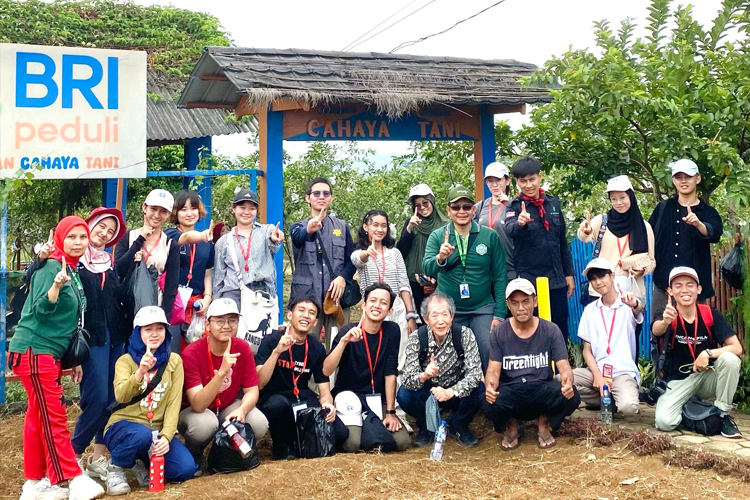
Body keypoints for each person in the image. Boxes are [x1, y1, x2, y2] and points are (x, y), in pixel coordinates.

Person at [9, 216, 105, 500]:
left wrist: (71, 359)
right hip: (34, 350)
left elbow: (69, 320)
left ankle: (35, 483)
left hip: (46, 352)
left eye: (82, 237)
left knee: (38, 416)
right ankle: (72, 478)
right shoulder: (51, 265)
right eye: (72, 237)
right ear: (61, 237)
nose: (77, 243)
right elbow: (38, 310)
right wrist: (53, 288)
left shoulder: (71, 269)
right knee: (53, 416)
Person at [103, 307, 194, 495]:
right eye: (148, 329)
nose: (155, 334)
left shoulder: (174, 361)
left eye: (160, 328)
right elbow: (121, 396)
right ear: (138, 333)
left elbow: (173, 403)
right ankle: (116, 466)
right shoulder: (125, 361)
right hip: (124, 426)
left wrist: (167, 436)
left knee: (185, 469)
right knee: (141, 435)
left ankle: (140, 461)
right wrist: (140, 372)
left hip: (156, 432)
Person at [483, 278, 580, 450]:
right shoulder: (499, 332)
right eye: (515, 303)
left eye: (526, 301)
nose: (521, 308)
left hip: (541, 390)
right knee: (485, 400)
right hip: (512, 391)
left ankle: (544, 421)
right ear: (508, 305)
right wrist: (490, 386)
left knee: (572, 396)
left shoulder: (551, 330)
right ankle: (511, 424)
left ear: (535, 301)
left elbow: (564, 367)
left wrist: (567, 381)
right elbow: (493, 370)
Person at [422, 184, 508, 371]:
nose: (461, 211)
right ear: (448, 209)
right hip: (449, 309)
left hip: (482, 307)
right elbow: (427, 268)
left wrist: (500, 313)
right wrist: (440, 258)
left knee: (489, 349)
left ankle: (491, 394)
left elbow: (500, 275)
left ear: (473, 209)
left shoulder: (489, 236)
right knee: (449, 357)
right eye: (456, 207)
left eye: (466, 207)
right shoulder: (438, 236)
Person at [651, 267, 742, 437]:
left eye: (690, 285)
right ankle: (689, 411)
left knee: (730, 359)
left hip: (706, 376)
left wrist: (707, 353)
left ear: (698, 289)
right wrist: (665, 322)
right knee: (664, 422)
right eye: (678, 285)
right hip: (677, 380)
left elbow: (736, 348)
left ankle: (722, 415)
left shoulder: (710, 314)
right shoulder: (666, 314)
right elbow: (656, 330)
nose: (684, 290)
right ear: (670, 291)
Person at [70, 208, 127, 478]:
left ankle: (98, 455)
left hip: (114, 338)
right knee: (95, 398)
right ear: (90, 225)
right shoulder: (73, 261)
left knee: (112, 398)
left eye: (110, 231)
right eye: (101, 227)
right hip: (91, 340)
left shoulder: (108, 261)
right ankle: (72, 454)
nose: (104, 233)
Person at [255, 297, 349, 459]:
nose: (306, 315)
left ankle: (298, 442)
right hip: (274, 397)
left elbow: (324, 388)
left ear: (315, 322)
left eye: (311, 313)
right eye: (301, 310)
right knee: (277, 406)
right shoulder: (271, 340)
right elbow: (260, 382)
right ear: (290, 315)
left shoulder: (316, 347)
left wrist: (328, 405)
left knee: (340, 433)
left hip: (302, 397)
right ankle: (281, 447)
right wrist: (277, 352)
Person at [177, 298, 269, 462]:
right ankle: (194, 454)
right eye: (220, 320)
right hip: (196, 411)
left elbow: (252, 390)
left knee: (259, 422)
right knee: (205, 425)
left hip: (226, 406)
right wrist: (221, 373)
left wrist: (243, 410)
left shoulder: (242, 347)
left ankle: (227, 455)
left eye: (232, 320)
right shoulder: (192, 353)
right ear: (208, 324)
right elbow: (198, 404)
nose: (227, 326)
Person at [323, 283, 410, 452]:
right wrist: (344, 342)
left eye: (383, 303)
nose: (377, 306)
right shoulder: (349, 331)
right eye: (373, 300)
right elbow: (326, 370)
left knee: (402, 442)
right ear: (364, 305)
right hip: (349, 397)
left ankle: (371, 429)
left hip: (377, 399)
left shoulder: (392, 330)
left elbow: (390, 372)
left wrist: (391, 412)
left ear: (390, 311)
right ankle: (367, 430)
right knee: (352, 444)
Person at [398, 292, 483, 447]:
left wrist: (451, 391)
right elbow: (407, 379)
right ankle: (426, 426)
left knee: (480, 390)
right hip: (428, 392)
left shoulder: (465, 334)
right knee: (404, 395)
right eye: (434, 316)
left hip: (456, 391)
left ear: (452, 316)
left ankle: (458, 424)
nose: (440, 321)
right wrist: (424, 376)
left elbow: (475, 374)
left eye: (445, 314)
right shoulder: (417, 338)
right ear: (426, 319)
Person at [505, 156, 575, 342]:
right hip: (530, 283)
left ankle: (560, 369)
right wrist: (520, 223)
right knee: (534, 332)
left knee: (560, 330)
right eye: (522, 181)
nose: (528, 185)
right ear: (516, 182)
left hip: (556, 281)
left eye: (531, 179)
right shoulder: (514, 206)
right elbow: (510, 229)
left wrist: (568, 274)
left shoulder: (552, 204)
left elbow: (561, 241)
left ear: (540, 177)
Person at [649, 159, 723, 321]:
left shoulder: (708, 212)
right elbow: (648, 235)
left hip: (694, 288)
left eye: (688, 177)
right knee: (660, 334)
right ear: (673, 180)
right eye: (678, 177)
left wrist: (698, 224)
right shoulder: (663, 208)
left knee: (696, 334)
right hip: (664, 286)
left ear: (697, 178)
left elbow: (715, 233)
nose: (683, 181)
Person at [290, 177, 356, 349]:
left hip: (335, 299)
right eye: (316, 193)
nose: (321, 197)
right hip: (307, 298)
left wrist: (343, 277)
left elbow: (352, 260)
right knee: (303, 345)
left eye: (326, 193)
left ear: (331, 198)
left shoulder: (341, 227)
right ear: (308, 198)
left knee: (339, 345)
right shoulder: (298, 226)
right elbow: (298, 237)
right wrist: (310, 230)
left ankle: (334, 377)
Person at [572, 258, 644, 416]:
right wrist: (597, 376)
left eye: (602, 276)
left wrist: (634, 304)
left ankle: (614, 397)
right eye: (593, 279)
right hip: (597, 371)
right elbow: (586, 351)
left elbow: (639, 309)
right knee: (562, 380)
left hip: (622, 373)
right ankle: (606, 399)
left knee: (629, 408)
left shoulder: (627, 305)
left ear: (612, 276)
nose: (598, 282)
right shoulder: (590, 310)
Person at [213, 189, 284, 347]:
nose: (246, 212)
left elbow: (274, 242)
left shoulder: (266, 231)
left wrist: (275, 238)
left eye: (251, 208)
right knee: (234, 341)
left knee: (262, 342)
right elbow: (219, 277)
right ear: (234, 209)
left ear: (256, 211)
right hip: (234, 295)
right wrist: (215, 307)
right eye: (242, 207)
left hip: (263, 294)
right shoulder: (223, 242)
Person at [115, 189, 180, 349]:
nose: (157, 215)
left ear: (168, 214)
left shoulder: (170, 245)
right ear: (144, 207)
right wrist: (140, 240)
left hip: (155, 309)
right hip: (127, 310)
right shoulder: (128, 237)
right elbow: (118, 270)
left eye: (163, 211)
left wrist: (163, 319)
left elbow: (172, 286)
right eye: (153, 209)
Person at [352, 209, 417, 368]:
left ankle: (397, 390)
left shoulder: (395, 253)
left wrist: (410, 315)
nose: (379, 229)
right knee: (373, 354)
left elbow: (403, 284)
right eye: (375, 225)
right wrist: (367, 253)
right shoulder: (360, 253)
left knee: (401, 355)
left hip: (397, 309)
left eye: (384, 226)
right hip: (373, 309)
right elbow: (357, 260)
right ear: (366, 227)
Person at [578, 175, 655, 302]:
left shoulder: (644, 227)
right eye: (613, 199)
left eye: (623, 197)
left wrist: (642, 271)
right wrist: (585, 230)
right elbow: (584, 237)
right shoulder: (601, 221)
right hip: (601, 291)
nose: (618, 203)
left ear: (631, 196)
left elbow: (651, 261)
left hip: (632, 293)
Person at [165, 190, 216, 332]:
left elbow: (207, 274)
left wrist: (207, 298)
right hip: (173, 302)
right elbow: (187, 237)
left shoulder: (207, 243)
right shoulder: (170, 235)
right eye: (183, 209)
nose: (189, 213)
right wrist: (202, 235)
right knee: (174, 348)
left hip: (197, 304)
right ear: (175, 212)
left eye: (193, 208)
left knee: (195, 347)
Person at [396, 183, 447, 317]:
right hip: (414, 282)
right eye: (417, 205)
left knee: (438, 317)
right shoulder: (411, 223)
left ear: (432, 202)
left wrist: (434, 277)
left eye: (425, 203)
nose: (422, 208)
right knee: (419, 320)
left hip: (439, 281)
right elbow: (400, 252)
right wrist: (409, 229)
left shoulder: (444, 224)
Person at [474, 162, 516, 281]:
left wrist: (509, 205)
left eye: (498, 180)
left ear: (507, 181)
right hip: (485, 271)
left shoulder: (516, 205)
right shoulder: (479, 207)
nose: (494, 184)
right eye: (490, 181)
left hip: (510, 270)